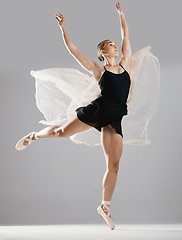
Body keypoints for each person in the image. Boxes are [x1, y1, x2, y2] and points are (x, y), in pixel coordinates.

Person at [15, 2, 161, 230]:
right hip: (97, 111)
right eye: (110, 45)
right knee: (61, 132)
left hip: (114, 119)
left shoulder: (126, 65)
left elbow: (126, 39)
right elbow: (74, 52)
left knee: (114, 165)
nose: (115, 46)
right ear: (103, 52)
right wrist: (63, 29)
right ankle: (34, 136)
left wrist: (121, 15)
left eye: (114, 44)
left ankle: (104, 206)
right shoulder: (98, 69)